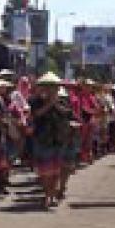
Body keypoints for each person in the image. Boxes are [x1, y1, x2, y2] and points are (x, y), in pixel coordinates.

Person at [30, 72, 66, 208]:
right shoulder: (35, 101)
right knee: (44, 170)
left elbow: (67, 113)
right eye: (47, 86)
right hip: (42, 138)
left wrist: (55, 103)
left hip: (58, 138)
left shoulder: (62, 100)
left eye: (54, 87)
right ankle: (47, 195)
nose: (51, 89)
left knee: (56, 170)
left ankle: (52, 194)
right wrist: (49, 104)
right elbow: (35, 115)